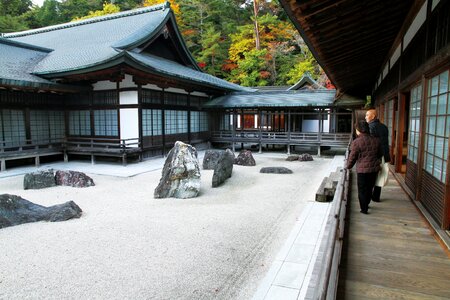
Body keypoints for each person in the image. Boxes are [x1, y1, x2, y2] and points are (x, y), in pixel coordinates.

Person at [346, 120, 383, 214]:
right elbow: (380, 154)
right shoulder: (376, 140)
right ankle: (367, 203)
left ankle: (364, 208)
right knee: (370, 187)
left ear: (358, 130)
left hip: (362, 170)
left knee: (362, 189)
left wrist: (348, 166)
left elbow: (352, 157)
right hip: (374, 169)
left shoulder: (356, 142)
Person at [365, 109, 391, 202]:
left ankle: (367, 197)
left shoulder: (370, 127)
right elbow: (385, 143)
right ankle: (376, 196)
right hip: (384, 154)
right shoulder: (384, 127)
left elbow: (370, 143)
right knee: (380, 175)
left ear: (373, 116)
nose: (365, 117)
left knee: (370, 175)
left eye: (367, 115)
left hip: (375, 155)